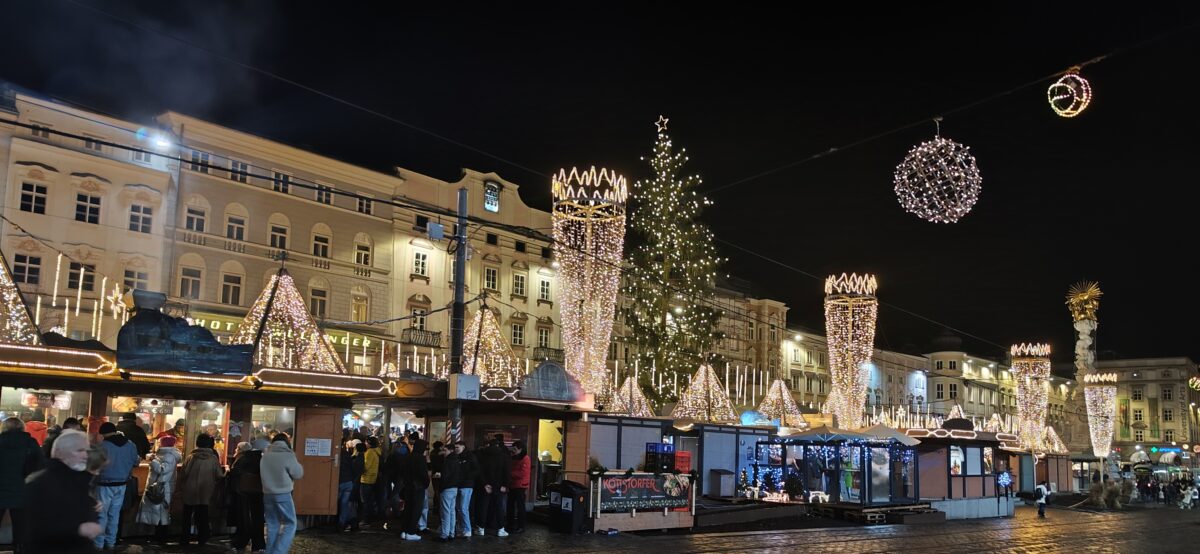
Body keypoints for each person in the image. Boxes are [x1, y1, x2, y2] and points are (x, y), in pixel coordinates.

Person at [23, 430, 100, 554]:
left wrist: (91, 505)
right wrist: (78, 529)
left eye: (86, 450)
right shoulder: (42, 483)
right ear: (60, 453)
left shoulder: (79, 479)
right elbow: (38, 528)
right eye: (79, 450)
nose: (85, 455)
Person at [0, 417, 44, 552]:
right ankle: (19, 549)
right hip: (23, 492)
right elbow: (40, 466)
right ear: (22, 428)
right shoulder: (30, 443)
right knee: (21, 530)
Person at [95, 421, 139, 550]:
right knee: (115, 514)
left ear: (103, 434)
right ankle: (111, 542)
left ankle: (98, 544)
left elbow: (95, 465)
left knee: (102, 515)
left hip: (103, 484)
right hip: (122, 484)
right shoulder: (130, 444)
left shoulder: (102, 446)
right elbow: (136, 461)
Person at [177, 433, 224, 546]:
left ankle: (185, 539)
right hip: (205, 492)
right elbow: (219, 475)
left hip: (189, 490)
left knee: (187, 516)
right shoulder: (213, 458)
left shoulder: (191, 457)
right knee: (202, 515)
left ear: (197, 443)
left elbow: (183, 474)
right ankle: (202, 538)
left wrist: (181, 487)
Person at [261, 433, 303, 554]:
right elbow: (298, 473)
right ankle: (278, 551)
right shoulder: (288, 455)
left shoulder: (265, 455)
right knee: (291, 523)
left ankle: (269, 551)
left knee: (272, 524)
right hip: (283, 493)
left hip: (267, 494)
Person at [137, 435, 181, 545]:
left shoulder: (169, 456)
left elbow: (163, 470)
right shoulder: (164, 454)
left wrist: (153, 461)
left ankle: (161, 538)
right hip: (161, 487)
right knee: (159, 512)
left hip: (162, 488)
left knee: (162, 513)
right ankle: (159, 536)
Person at [228, 440, 266, 553]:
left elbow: (235, 473)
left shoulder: (242, 459)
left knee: (244, 519)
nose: (235, 451)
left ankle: (241, 542)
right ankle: (258, 545)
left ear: (240, 450)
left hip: (244, 492)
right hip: (258, 492)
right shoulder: (259, 458)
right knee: (257, 518)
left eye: (236, 449)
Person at [436, 441, 478, 542]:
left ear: (463, 447)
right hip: (457, 486)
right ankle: (452, 532)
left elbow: (475, 470)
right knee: (455, 510)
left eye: (457, 447)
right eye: (454, 448)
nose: (455, 449)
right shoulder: (456, 458)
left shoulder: (458, 459)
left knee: (461, 509)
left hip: (462, 486)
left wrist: (465, 478)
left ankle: (462, 530)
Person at [476, 435, 511, 537]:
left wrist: (485, 484)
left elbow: (480, 472)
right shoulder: (503, 456)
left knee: (483, 506)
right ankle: (501, 529)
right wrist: (505, 485)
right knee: (499, 507)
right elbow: (507, 472)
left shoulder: (483, 455)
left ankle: (481, 528)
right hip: (499, 485)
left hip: (486, 486)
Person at [399, 440, 428, 541]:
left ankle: (404, 531)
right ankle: (411, 532)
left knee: (408, 509)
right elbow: (423, 474)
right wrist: (426, 483)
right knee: (416, 510)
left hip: (408, 487)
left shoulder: (408, 456)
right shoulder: (420, 458)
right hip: (418, 487)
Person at [337, 439, 363, 533]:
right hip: (348, 482)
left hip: (339, 482)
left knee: (339, 504)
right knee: (345, 504)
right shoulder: (347, 455)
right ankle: (342, 523)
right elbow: (354, 469)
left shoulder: (335, 454)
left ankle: (341, 523)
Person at [506, 440, 531, 534]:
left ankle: (521, 526)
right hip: (513, 484)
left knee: (520, 506)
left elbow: (522, 473)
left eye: (515, 449)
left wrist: (509, 474)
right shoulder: (514, 457)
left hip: (520, 485)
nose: (513, 450)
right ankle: (510, 525)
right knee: (510, 506)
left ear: (520, 449)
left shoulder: (525, 458)